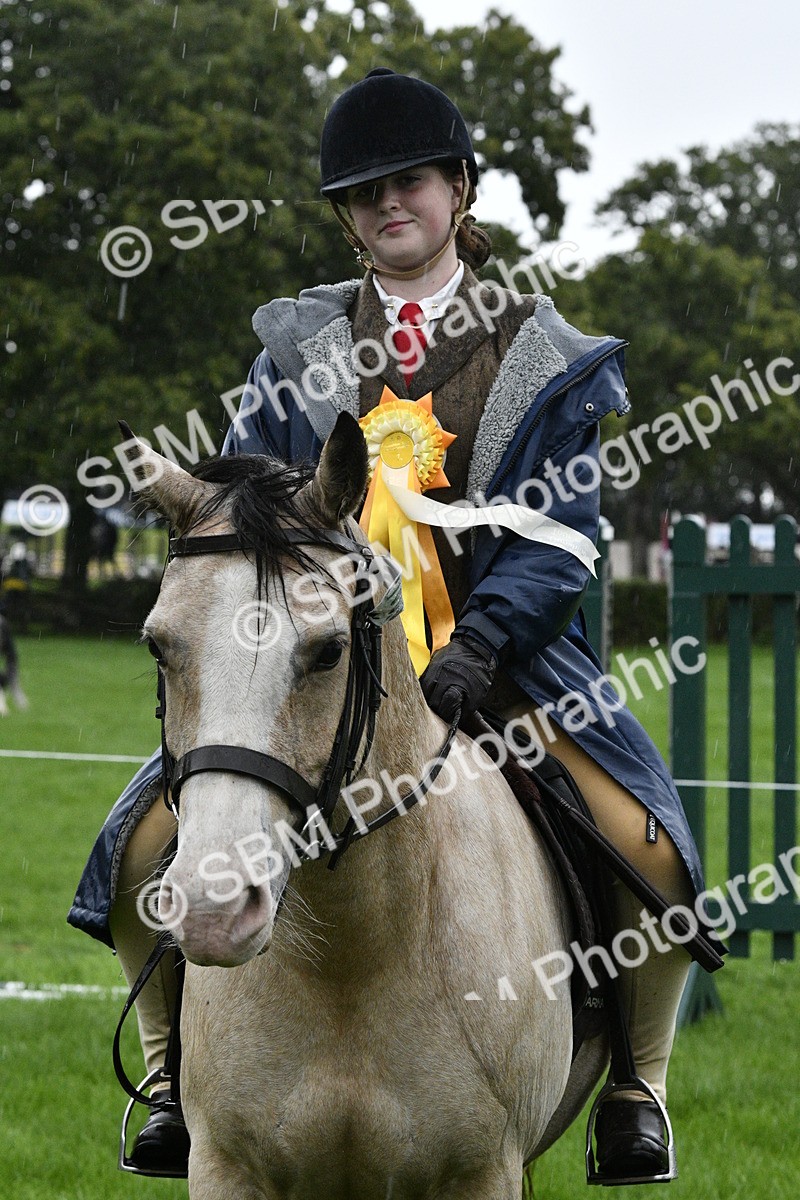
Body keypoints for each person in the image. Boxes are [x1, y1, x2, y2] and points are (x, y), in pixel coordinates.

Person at [69, 68, 713, 1183]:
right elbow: (240, 505)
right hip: (308, 667)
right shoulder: (293, 351)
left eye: (406, 181)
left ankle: (633, 1087)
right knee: (133, 846)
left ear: (458, 188)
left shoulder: (542, 357)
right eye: (362, 192)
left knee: (648, 846)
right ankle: (173, 1079)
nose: (385, 206)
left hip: (494, 665)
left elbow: (561, 537)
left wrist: (476, 647)